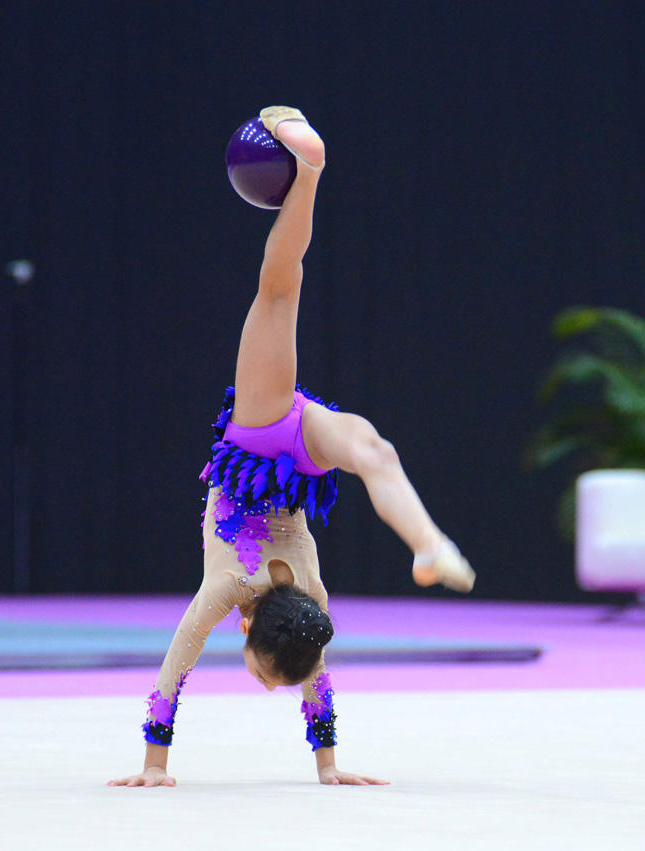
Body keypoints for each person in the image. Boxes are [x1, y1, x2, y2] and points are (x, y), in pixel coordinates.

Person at [108, 107, 475, 789]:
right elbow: (178, 668)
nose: (266, 685)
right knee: (286, 305)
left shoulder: (298, 598)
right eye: (269, 678)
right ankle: (427, 542)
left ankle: (430, 544)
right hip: (266, 439)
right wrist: (155, 764)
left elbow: (279, 674)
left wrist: (326, 766)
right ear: (252, 634)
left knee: (361, 428)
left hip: (279, 447)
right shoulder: (254, 598)